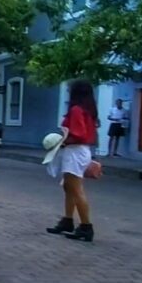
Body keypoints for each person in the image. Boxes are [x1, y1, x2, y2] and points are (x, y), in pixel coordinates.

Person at [46, 79, 99, 242]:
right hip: (80, 151)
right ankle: (68, 221)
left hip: (75, 151)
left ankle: (86, 226)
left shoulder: (76, 110)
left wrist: (61, 141)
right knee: (69, 188)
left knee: (76, 189)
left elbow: (78, 134)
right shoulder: (88, 110)